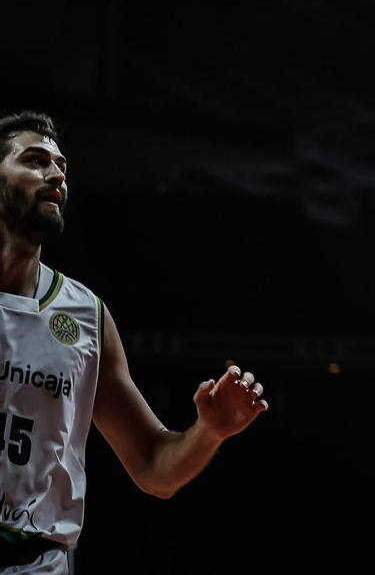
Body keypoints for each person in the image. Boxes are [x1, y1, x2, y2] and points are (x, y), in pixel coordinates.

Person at [0, 111, 267, 574]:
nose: (56, 174)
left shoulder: (86, 316)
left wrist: (211, 432)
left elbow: (152, 469)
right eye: (36, 160)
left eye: (61, 166)